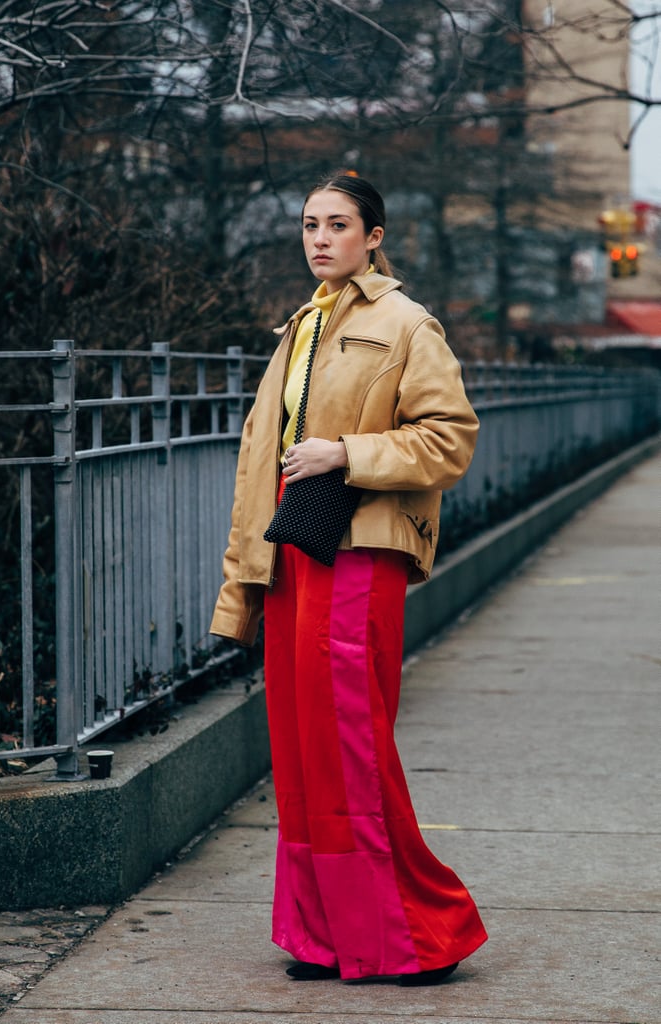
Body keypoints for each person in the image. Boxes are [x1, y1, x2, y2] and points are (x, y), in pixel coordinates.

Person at [210, 172, 487, 984]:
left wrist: (348, 454)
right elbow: (258, 462)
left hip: (361, 550)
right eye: (308, 224)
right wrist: (243, 585)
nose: (319, 238)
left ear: (374, 236)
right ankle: (321, 933)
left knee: (349, 742)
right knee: (299, 748)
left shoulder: (406, 323)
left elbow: (450, 439)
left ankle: (411, 935)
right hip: (297, 550)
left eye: (337, 224)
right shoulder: (299, 329)